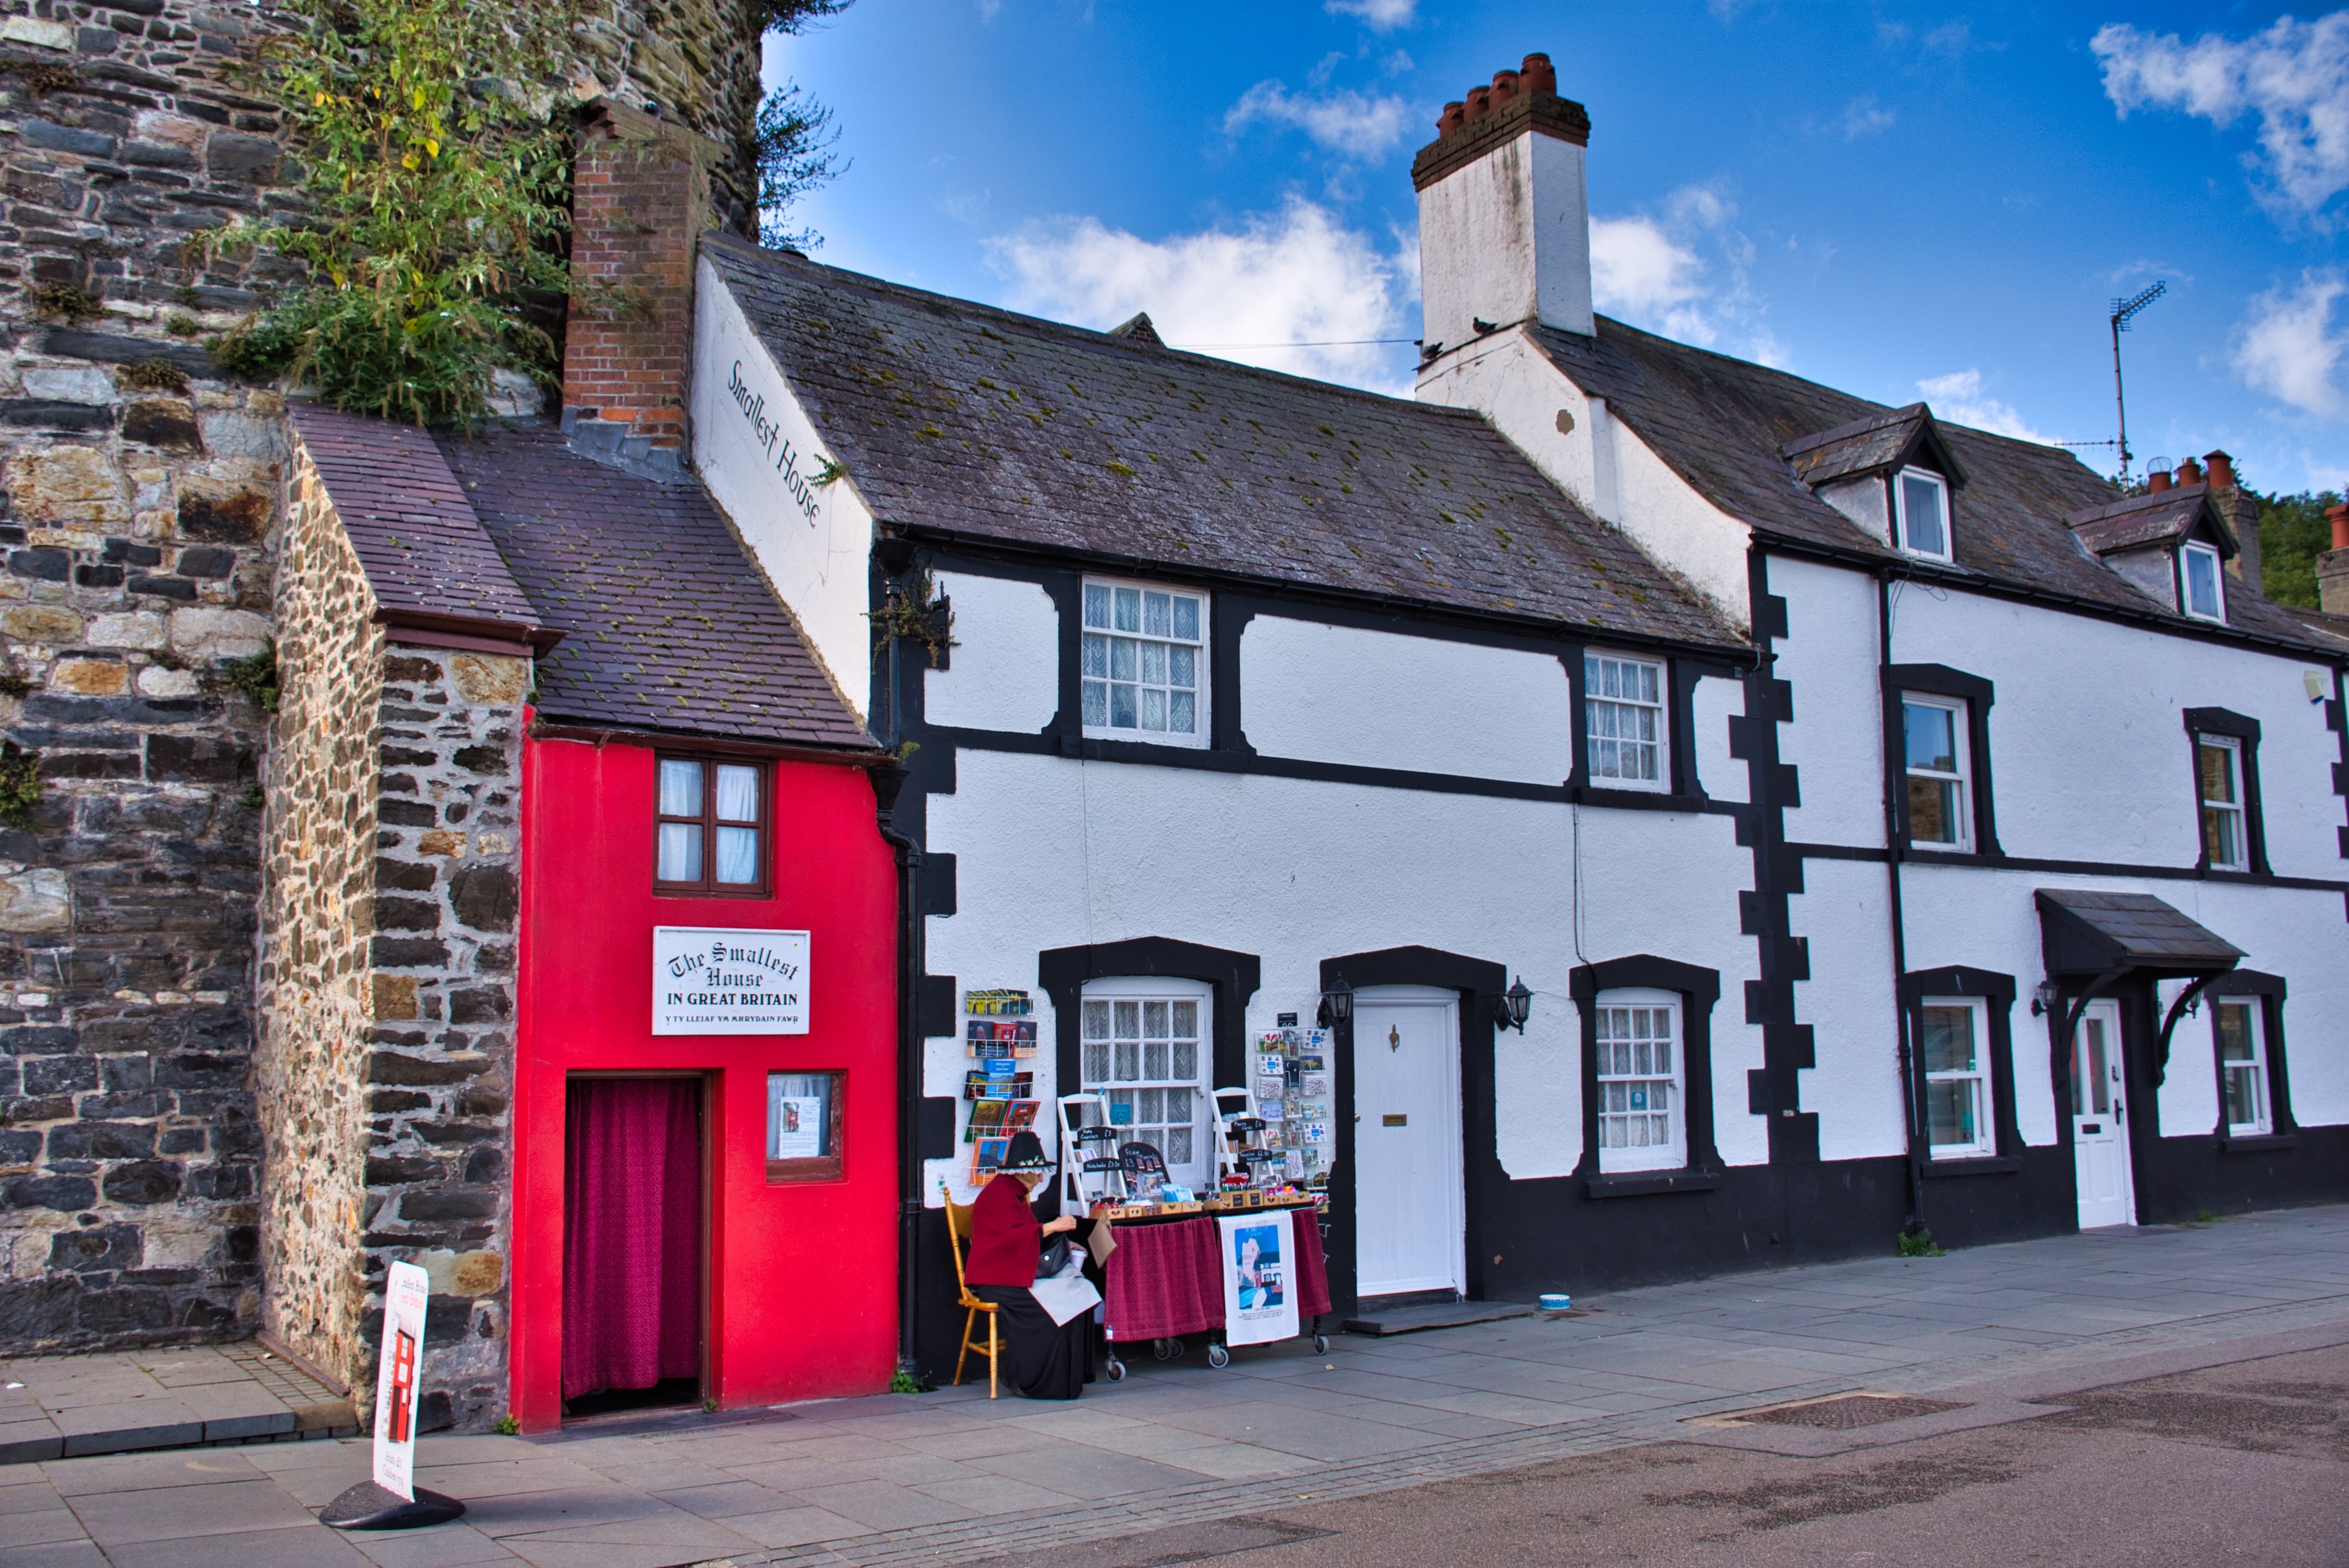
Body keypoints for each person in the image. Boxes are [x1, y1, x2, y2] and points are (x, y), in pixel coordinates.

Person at [963, 1130, 1089, 1399]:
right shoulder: (998, 1196)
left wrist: (1064, 1242)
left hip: (1009, 1272)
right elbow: (1008, 1237)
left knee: (1075, 1297)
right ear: (1023, 1172)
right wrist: (1053, 1226)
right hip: (995, 1279)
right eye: (1038, 1172)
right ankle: (1028, 1378)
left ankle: (1065, 1378)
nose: (1041, 1178)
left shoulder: (1015, 1193)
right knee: (1052, 1310)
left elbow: (1027, 1231)